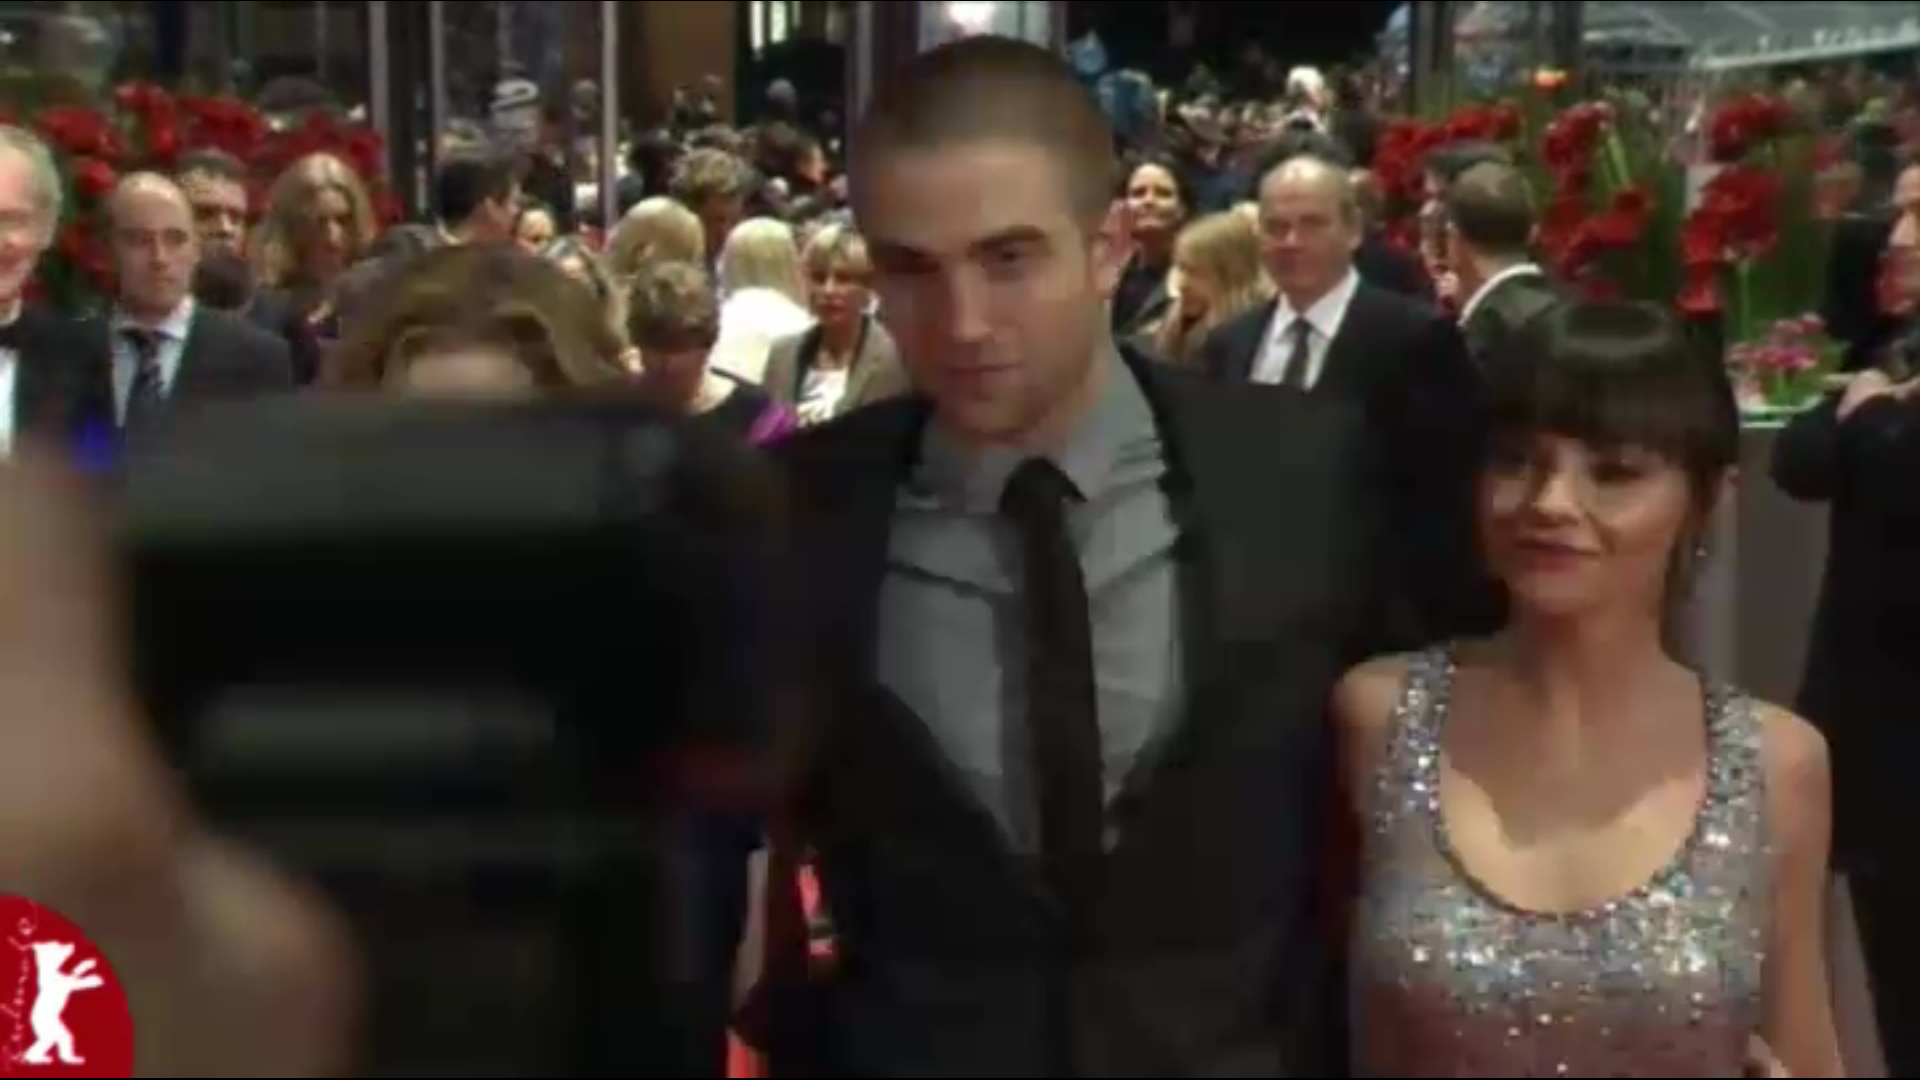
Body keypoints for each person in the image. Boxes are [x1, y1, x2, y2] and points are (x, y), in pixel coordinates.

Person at [762, 36, 1392, 1075]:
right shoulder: (797, 512)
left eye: (1009, 259)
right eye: (911, 269)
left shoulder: (1308, 474)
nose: (964, 323)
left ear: (1110, 248)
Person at [1334, 301, 1842, 1076]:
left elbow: (1807, 1049)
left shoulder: (1776, 763)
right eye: (1517, 461)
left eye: (1614, 472)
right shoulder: (1378, 716)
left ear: (1709, 500)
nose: (1550, 503)